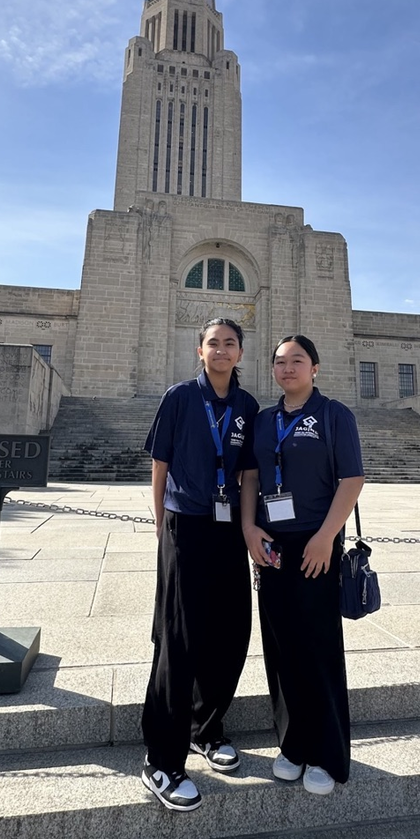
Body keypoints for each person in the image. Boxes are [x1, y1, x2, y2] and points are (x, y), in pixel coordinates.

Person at [140, 318, 259, 811]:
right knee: (180, 636)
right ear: (200, 350)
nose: (222, 350)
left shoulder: (247, 405)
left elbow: (249, 472)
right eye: (214, 343)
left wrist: (249, 527)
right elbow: (160, 464)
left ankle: (205, 729)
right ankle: (160, 762)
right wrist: (159, 521)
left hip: (229, 526)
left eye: (230, 343)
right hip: (185, 524)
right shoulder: (180, 397)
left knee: (230, 632)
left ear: (240, 353)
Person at [240, 335, 364, 796]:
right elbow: (251, 476)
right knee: (281, 647)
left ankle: (325, 752)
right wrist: (249, 529)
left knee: (318, 647)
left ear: (315, 368)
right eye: (279, 361)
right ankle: (291, 745)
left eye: (297, 360)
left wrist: (326, 538)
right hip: (272, 545)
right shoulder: (265, 420)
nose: (287, 368)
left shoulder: (334, 415)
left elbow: (351, 480)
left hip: (318, 543)